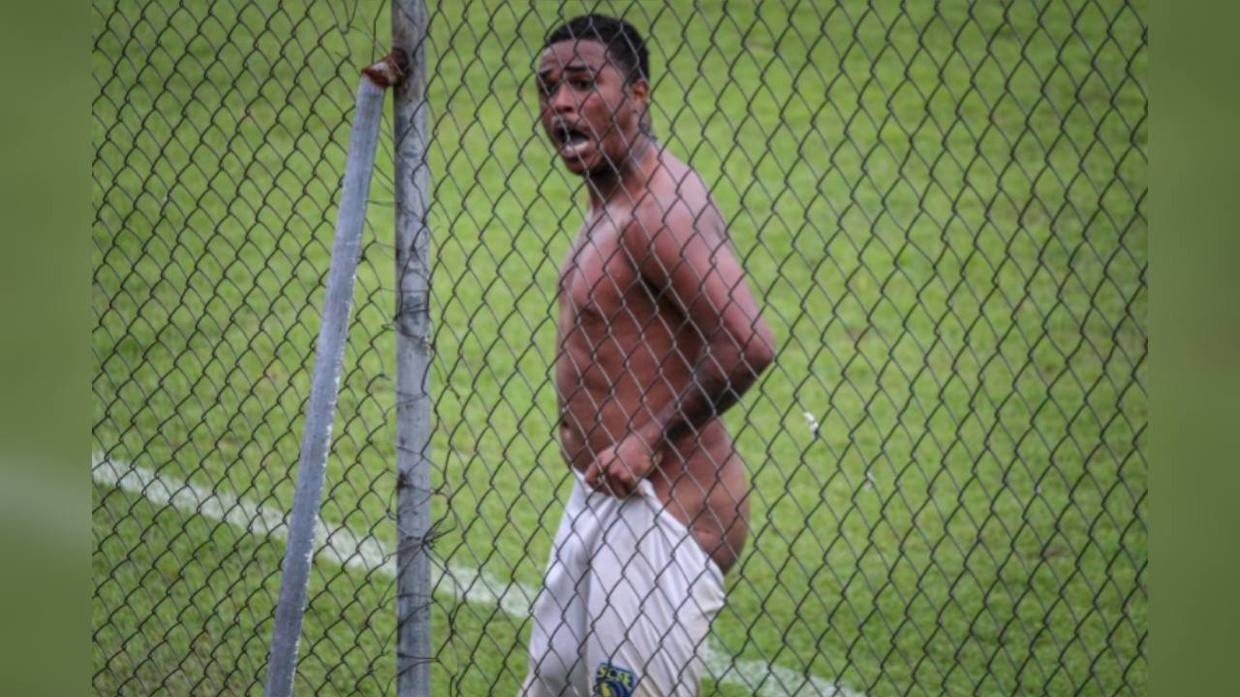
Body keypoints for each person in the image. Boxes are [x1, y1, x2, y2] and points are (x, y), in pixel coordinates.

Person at [521, 14, 776, 697]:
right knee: (553, 680)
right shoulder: (608, 201)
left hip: (662, 510)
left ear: (637, 95)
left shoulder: (660, 210)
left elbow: (750, 342)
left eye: (583, 83)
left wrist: (646, 439)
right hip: (605, 497)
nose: (562, 105)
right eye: (548, 89)